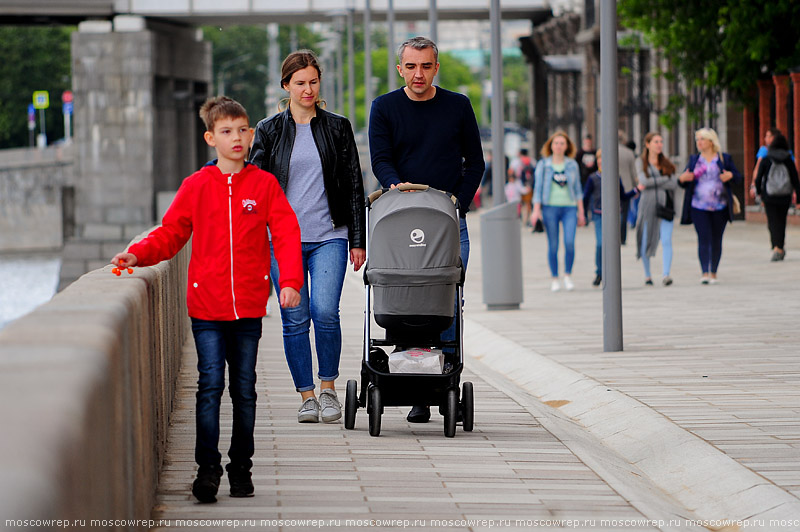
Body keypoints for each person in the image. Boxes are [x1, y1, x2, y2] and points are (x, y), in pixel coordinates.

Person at [111, 96, 302, 503]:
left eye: (242, 130)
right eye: (227, 132)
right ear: (210, 138)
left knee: (245, 389)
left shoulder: (263, 185)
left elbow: (286, 234)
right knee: (210, 386)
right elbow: (171, 233)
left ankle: (241, 468)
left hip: (249, 305)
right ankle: (208, 470)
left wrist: (289, 281)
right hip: (207, 307)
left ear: (251, 134)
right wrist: (137, 254)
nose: (237, 138)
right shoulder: (196, 186)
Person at [369, 36, 484, 423]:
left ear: (436, 68)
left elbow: (476, 163)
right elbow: (381, 160)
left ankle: (442, 385)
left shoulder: (458, 106)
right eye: (411, 66)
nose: (419, 74)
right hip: (402, 219)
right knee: (407, 299)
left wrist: (457, 203)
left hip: (450, 222)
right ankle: (412, 384)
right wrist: (396, 188)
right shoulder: (384, 107)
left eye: (426, 66)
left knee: (447, 302)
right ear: (400, 68)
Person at [249, 50, 366, 424]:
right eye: (300, 83)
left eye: (313, 81)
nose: (308, 89)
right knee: (294, 318)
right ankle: (307, 396)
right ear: (286, 86)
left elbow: (352, 184)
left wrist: (358, 239)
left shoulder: (337, 126)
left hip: (330, 234)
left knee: (325, 312)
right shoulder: (268, 129)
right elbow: (254, 183)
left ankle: (329, 388)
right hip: (282, 241)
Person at [678, 127, 743, 284]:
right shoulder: (695, 160)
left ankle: (713, 271)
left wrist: (731, 175)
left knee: (716, 239)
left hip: (720, 206)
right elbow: (683, 180)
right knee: (703, 237)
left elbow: (738, 177)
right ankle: (704, 272)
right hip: (698, 206)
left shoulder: (723, 158)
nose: (699, 142)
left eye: (702, 139)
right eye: (697, 139)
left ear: (711, 141)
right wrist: (682, 179)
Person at [530, 131, 586, 292]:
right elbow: (538, 189)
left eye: (562, 143)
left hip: (569, 207)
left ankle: (567, 275)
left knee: (569, 242)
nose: (559, 146)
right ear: (551, 146)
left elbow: (578, 190)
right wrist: (536, 211)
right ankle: (555, 277)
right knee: (553, 244)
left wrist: (581, 212)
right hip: (550, 208)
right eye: (556, 143)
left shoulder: (572, 165)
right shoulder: (544, 165)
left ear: (567, 146)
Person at [583, 149, 638, 286]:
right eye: (599, 159)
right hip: (599, 214)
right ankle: (599, 272)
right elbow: (585, 197)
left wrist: (636, 190)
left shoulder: (615, 177)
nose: (602, 161)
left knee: (613, 244)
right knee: (601, 243)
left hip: (615, 214)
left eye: (604, 159)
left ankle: (612, 272)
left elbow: (623, 196)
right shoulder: (593, 178)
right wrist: (583, 214)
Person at [635, 132, 678, 286]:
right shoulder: (641, 162)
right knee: (645, 239)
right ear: (647, 144)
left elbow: (673, 183)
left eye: (661, 141)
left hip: (665, 207)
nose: (659, 144)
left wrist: (654, 182)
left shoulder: (667, 163)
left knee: (666, 240)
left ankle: (666, 274)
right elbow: (643, 181)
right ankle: (647, 275)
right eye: (655, 142)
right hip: (647, 206)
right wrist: (664, 179)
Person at [753, 132, 800, 261]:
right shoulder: (788, 158)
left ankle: (776, 247)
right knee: (781, 221)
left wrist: (759, 193)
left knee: (772, 222)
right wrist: (798, 197)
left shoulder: (767, 158)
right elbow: (795, 179)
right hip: (785, 196)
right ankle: (780, 246)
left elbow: (759, 178)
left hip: (769, 196)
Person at [618, 132, 639, 244]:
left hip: (611, 187)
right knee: (624, 213)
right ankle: (622, 238)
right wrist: (635, 188)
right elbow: (633, 172)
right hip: (626, 186)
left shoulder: (606, 151)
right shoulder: (629, 153)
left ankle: (613, 236)